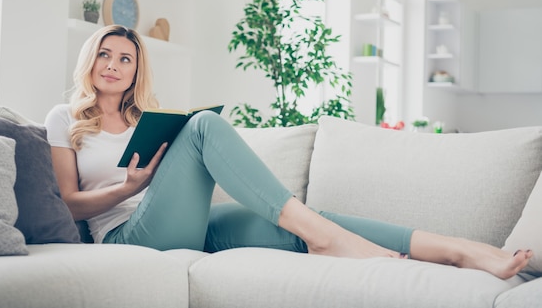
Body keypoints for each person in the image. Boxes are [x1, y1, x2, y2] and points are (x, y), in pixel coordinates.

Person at [45, 24, 532, 280]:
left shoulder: (146, 121)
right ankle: (324, 236)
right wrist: (130, 188)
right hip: (127, 237)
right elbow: (67, 201)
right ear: (90, 62)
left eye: (125, 58)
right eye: (105, 55)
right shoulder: (63, 118)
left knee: (304, 221)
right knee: (205, 125)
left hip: (186, 227)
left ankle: (461, 251)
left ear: (136, 72)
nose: (114, 65)